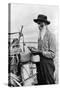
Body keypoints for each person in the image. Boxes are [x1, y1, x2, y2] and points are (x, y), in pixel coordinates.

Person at [30, 14, 56, 85]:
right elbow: (40, 51)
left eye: (40, 24)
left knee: (49, 84)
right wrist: (34, 51)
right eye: (38, 24)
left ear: (45, 24)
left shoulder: (51, 35)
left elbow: (53, 54)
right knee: (41, 83)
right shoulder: (40, 37)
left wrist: (40, 51)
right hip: (39, 64)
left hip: (47, 65)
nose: (38, 26)